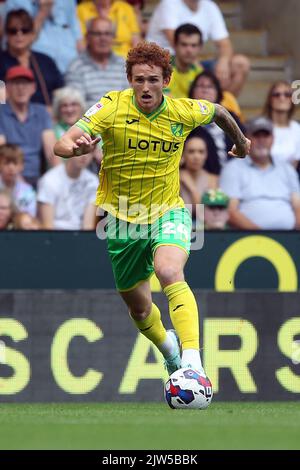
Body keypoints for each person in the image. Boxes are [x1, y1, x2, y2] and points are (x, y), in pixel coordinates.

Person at [54, 42, 250, 385]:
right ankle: (170, 350)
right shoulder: (111, 108)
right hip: (122, 218)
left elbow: (219, 111)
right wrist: (75, 149)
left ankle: (193, 363)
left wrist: (241, 141)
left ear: (167, 80)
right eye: (139, 80)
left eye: (153, 80)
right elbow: (63, 142)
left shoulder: (182, 111)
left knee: (169, 270)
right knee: (140, 308)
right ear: (129, 79)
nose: (146, 87)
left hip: (167, 211)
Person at [147, 0, 250, 97]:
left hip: (195, 62)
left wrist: (223, 63)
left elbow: (225, 44)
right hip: (165, 62)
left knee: (240, 64)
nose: (189, 48)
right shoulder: (169, 4)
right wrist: (200, 71)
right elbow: (177, 42)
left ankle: (223, 106)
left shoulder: (210, 7)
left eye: (193, 46)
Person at [220, 117, 300, 230]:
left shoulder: (287, 169)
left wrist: (294, 236)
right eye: (256, 136)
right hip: (247, 240)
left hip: (289, 239)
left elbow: (298, 206)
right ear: (246, 139)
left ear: (273, 139)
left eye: (265, 136)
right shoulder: (233, 168)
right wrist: (263, 236)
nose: (261, 140)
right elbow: (230, 211)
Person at [165, 23, 242, 119]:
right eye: (184, 45)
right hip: (170, 118)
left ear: (200, 47)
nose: (189, 50)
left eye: (193, 45)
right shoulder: (164, 69)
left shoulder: (199, 72)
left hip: (192, 117)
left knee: (228, 98)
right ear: (175, 45)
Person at [0, 66, 58, 187]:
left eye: (25, 83)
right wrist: (20, 184)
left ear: (33, 88)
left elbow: (51, 151)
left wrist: (61, 176)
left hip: (35, 177)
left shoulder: (41, 112)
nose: (21, 88)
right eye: (16, 83)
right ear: (7, 88)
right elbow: (2, 152)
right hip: (6, 176)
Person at [0, 9, 64, 107]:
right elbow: (1, 99)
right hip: (9, 118)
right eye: (13, 31)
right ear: (6, 34)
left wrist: (54, 110)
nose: (19, 34)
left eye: (25, 30)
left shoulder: (46, 61)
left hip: (49, 117)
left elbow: (60, 93)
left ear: (32, 34)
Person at [189, 70, 245, 175]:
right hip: (200, 177)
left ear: (218, 92)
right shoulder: (185, 119)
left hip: (233, 175)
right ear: (192, 91)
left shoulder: (231, 117)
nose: (205, 90)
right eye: (200, 86)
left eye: (210, 86)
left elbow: (244, 141)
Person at [65, 18, 128, 109]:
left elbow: (130, 99)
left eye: (107, 34)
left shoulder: (124, 64)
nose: (103, 38)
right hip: (89, 121)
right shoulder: (76, 67)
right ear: (87, 37)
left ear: (113, 37)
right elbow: (76, 105)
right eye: (97, 34)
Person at [5, 0, 83, 74]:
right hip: (40, 70)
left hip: (70, 66)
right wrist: (43, 12)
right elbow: (18, 40)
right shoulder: (15, 2)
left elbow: (76, 34)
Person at [37, 154, 98, 230]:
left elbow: (88, 226)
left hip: (81, 237)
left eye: (89, 152)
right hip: (55, 235)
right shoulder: (49, 180)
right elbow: (48, 227)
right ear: (69, 151)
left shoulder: (93, 182)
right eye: (80, 150)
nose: (84, 156)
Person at [77, 0, 141, 58]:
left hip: (125, 57)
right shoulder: (81, 10)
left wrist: (134, 61)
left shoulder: (126, 8)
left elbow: (135, 40)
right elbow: (80, 42)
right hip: (94, 58)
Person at [180, 135, 217, 225]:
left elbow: (207, 218)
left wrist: (192, 188)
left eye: (201, 152)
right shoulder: (174, 178)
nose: (196, 156)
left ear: (206, 155)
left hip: (205, 234)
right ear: (183, 154)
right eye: (191, 151)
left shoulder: (212, 180)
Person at [263, 81, 300, 166]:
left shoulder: (297, 129)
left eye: (287, 95)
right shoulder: (260, 127)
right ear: (270, 99)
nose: (282, 98)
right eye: (277, 94)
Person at [0, 144, 36, 216]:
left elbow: (30, 217)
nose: (11, 168)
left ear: (22, 166)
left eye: (15, 163)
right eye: (6, 163)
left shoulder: (27, 191)